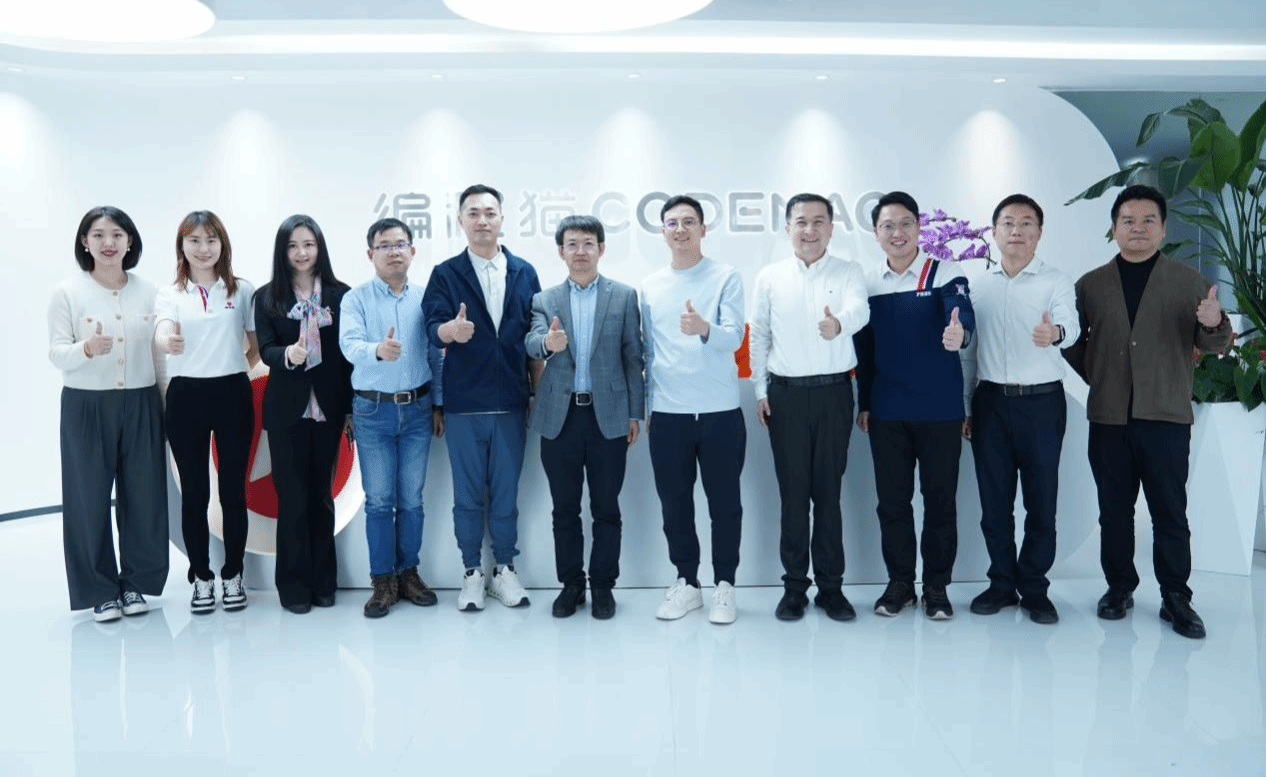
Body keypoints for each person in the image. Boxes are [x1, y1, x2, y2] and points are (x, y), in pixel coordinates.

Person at [1063, 184, 1231, 639]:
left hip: (1166, 417)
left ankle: (1176, 596)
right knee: (1114, 511)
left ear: (1163, 228)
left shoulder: (1189, 282)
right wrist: (1100, 375)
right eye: (1128, 220)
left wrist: (1214, 321)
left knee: (1169, 512)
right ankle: (1119, 588)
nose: (1137, 228)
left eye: (1148, 220)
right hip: (1109, 418)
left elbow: (1214, 343)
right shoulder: (1091, 284)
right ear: (1114, 228)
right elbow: (1070, 340)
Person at [855, 191, 975, 620]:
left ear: (919, 228)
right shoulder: (868, 283)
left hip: (940, 410)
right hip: (887, 411)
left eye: (906, 224)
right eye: (887, 226)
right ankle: (901, 583)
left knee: (940, 503)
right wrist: (864, 402)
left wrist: (960, 333)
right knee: (892, 503)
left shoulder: (944, 271)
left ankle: (937, 586)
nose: (897, 233)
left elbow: (961, 313)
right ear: (876, 234)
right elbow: (864, 350)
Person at [749, 193, 869, 622]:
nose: (810, 230)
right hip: (785, 397)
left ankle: (831, 589)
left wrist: (838, 323)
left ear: (831, 228)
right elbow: (759, 335)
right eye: (801, 221)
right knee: (793, 496)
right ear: (788, 228)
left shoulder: (848, 271)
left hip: (834, 394)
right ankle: (794, 588)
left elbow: (860, 310)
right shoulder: (770, 277)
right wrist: (760, 391)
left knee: (829, 496)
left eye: (819, 221)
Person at [423, 184, 541, 611]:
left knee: (506, 496)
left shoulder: (524, 271)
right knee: (468, 496)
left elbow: (535, 336)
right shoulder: (446, 273)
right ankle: (472, 572)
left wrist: (536, 394)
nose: (482, 220)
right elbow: (431, 327)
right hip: (464, 405)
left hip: (511, 402)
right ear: (461, 221)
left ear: (502, 219)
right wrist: (450, 331)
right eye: (473, 213)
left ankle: (504, 570)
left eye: (490, 213)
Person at [48, 206, 169, 622]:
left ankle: (135, 584)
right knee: (87, 499)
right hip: (86, 406)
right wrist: (85, 349)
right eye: (98, 235)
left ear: (130, 240)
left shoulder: (150, 292)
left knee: (145, 497)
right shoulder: (67, 292)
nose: (108, 243)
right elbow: (55, 352)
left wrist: (165, 406)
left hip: (142, 402)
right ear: (85, 242)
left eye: (117, 234)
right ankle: (100, 590)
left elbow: (158, 356)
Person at [961, 194, 1078, 625]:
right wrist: (966, 405)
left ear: (1039, 233)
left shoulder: (1055, 281)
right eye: (1008, 222)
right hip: (990, 403)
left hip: (1042, 404)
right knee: (995, 504)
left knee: (1041, 502)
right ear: (994, 232)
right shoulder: (977, 285)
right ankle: (1001, 583)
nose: (1016, 230)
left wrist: (1055, 333)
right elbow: (968, 353)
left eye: (1026, 222)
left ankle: (1035, 588)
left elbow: (1071, 325)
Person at [525, 215, 644, 620]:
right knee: (564, 508)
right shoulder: (544, 300)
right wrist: (547, 342)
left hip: (608, 416)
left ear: (601, 248)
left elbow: (633, 357)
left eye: (588, 243)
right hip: (559, 418)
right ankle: (572, 584)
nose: (580, 251)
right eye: (572, 244)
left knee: (607, 507)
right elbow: (531, 342)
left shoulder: (623, 296)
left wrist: (635, 413)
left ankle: (603, 585)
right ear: (561, 251)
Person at [641, 194, 746, 624]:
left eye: (689, 221)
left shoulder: (726, 276)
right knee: (675, 504)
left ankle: (725, 585)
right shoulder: (650, 286)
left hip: (720, 411)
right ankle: (687, 583)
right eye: (672, 222)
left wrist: (704, 328)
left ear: (704, 229)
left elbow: (735, 337)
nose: (680, 229)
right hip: (669, 413)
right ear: (663, 231)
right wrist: (647, 408)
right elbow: (648, 353)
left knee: (725, 504)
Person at [339, 217, 445, 618]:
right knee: (380, 501)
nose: (393, 251)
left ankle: (408, 573)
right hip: (373, 411)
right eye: (384, 245)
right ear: (371, 254)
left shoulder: (426, 298)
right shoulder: (356, 299)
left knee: (412, 499)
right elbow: (349, 345)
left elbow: (436, 355)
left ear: (412, 251)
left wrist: (438, 404)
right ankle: (382, 580)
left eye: (400, 244)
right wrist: (377, 351)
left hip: (418, 410)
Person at [155, 211, 260, 614]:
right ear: (182, 246)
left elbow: (256, 344)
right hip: (186, 397)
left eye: (211, 240)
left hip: (232, 393)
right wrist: (169, 342)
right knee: (195, 495)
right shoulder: (171, 293)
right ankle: (201, 577)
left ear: (223, 244)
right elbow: (163, 331)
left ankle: (233, 574)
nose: (203, 248)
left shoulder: (242, 290)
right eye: (194, 240)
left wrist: (234, 365)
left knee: (233, 491)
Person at [254, 215, 354, 614]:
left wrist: (350, 409)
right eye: (293, 245)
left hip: (328, 409)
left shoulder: (341, 295)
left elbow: (348, 357)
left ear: (319, 248)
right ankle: (293, 588)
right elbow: (265, 349)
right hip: (287, 412)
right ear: (282, 251)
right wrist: (288, 354)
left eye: (308, 244)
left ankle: (324, 583)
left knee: (322, 498)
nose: (301, 253)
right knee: (292, 500)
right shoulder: (267, 297)